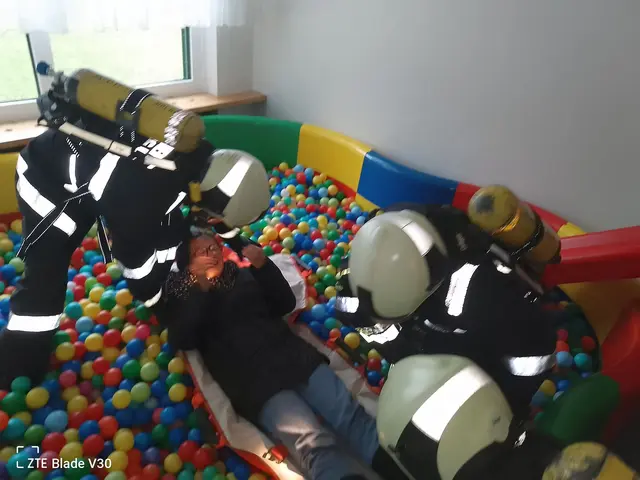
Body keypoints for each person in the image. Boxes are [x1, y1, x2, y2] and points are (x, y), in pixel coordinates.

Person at [0, 78, 270, 389]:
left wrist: (238, 242)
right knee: (45, 279)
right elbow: (136, 267)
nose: (213, 221)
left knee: (171, 229)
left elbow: (209, 208)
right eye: (217, 216)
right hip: (49, 182)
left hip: (98, 177)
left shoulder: (203, 157)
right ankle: (16, 366)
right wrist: (162, 306)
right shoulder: (143, 205)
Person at [160, 232, 404, 480]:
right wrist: (201, 288)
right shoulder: (184, 297)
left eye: (213, 247)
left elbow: (284, 303)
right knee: (312, 442)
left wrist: (264, 267)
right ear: (187, 265)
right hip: (255, 383)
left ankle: (403, 472)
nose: (211, 254)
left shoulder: (240, 276)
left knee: (350, 415)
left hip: (295, 358)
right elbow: (182, 338)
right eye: (201, 252)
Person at [334, 204, 558, 419]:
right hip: (427, 330)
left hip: (480, 334)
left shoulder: (485, 293)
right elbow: (349, 305)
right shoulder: (383, 235)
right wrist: (401, 352)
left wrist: (507, 405)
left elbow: (535, 352)